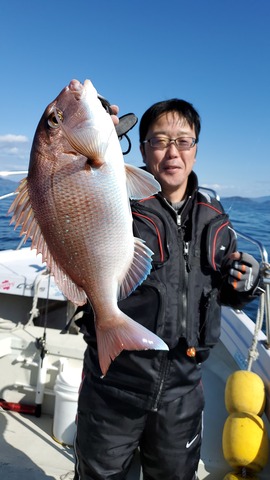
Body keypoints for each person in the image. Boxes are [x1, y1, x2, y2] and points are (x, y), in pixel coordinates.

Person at [73, 98, 263, 480]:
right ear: (141, 148)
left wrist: (246, 284)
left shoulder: (214, 217)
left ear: (196, 149)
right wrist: (91, 138)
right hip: (115, 385)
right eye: (159, 141)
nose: (172, 152)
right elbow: (74, 188)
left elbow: (220, 291)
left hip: (183, 388)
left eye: (184, 141)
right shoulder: (118, 196)